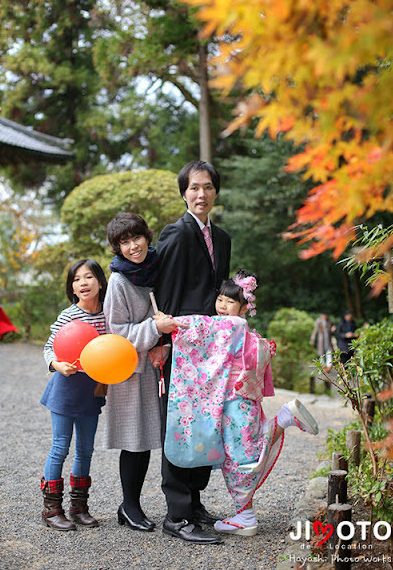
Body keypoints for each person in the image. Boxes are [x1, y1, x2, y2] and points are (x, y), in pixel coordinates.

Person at [164, 270, 319, 537]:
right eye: (221, 300)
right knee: (244, 451)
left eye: (230, 302)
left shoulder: (234, 325)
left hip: (236, 402)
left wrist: (171, 322)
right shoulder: (241, 328)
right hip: (244, 400)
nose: (223, 307)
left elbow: (203, 325)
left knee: (239, 457)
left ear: (245, 307)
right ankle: (244, 513)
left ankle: (246, 515)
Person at [153, 160, 231, 544]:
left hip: (212, 350)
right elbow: (166, 295)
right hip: (181, 348)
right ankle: (177, 515)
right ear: (184, 192)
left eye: (208, 188)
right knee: (178, 424)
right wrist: (162, 345)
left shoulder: (223, 238)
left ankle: (196, 501)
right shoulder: (176, 234)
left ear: (215, 192)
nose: (201, 194)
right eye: (194, 188)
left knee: (206, 423)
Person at [102, 213, 186, 533]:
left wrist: (163, 340)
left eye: (136, 238)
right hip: (131, 369)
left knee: (150, 437)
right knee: (134, 439)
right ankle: (129, 505)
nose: (133, 246)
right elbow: (118, 332)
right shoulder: (119, 280)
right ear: (117, 248)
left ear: (147, 237)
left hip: (160, 364)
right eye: (124, 242)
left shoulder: (158, 265)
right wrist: (153, 328)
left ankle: (133, 505)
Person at [40, 259, 108, 531]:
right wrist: (56, 364)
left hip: (92, 392)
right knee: (60, 447)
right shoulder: (69, 316)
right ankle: (51, 509)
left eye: (89, 277)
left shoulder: (107, 315)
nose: (83, 283)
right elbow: (49, 347)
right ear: (72, 287)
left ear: (100, 282)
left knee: (86, 451)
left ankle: (79, 507)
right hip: (65, 390)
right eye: (77, 279)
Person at [309, 312, 333, 392]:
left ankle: (329, 366)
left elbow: (331, 331)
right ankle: (323, 367)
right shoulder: (318, 321)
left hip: (328, 340)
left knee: (329, 352)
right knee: (321, 354)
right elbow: (315, 331)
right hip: (321, 340)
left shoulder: (330, 321)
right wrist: (312, 339)